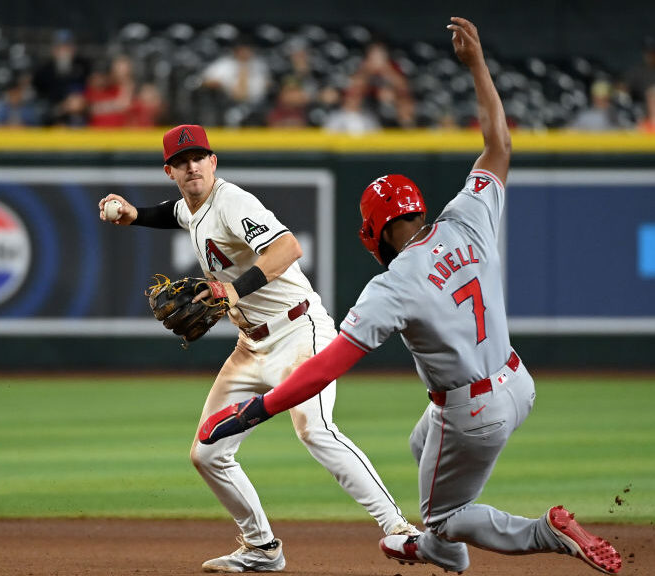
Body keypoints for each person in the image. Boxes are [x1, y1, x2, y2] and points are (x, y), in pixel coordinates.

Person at [198, 17, 623, 576]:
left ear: (374, 232)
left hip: (472, 411)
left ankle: (535, 531)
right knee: (421, 443)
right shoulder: (466, 217)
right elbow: (499, 142)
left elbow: (326, 368)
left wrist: (259, 408)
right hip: (517, 381)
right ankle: (439, 554)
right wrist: (476, 64)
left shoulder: (392, 285)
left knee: (444, 517)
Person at [96, 124, 418, 572]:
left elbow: (288, 247)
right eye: (182, 162)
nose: (192, 166)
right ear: (169, 171)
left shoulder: (232, 202)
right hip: (251, 346)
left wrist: (233, 290)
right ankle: (261, 547)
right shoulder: (196, 206)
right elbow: (177, 214)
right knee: (208, 452)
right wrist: (135, 214)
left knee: (315, 429)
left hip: (298, 331)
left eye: (199, 158)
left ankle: (400, 529)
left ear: (213, 162)